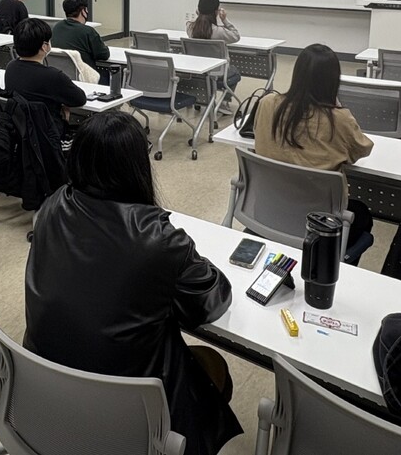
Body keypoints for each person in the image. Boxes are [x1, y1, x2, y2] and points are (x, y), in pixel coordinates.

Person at [24, 111, 242, 455]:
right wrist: (190, 259)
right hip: (127, 410)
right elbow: (210, 301)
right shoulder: (159, 240)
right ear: (137, 166)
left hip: (50, 389)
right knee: (214, 367)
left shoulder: (51, 207)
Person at [251, 43, 374, 249]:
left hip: (266, 210)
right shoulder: (338, 119)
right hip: (319, 226)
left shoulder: (267, 103)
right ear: (334, 81)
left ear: (297, 74)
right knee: (362, 215)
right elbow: (361, 150)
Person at [5, 17, 86, 135]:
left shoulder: (11, 67)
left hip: (20, 133)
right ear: (44, 46)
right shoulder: (53, 76)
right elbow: (80, 99)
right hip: (50, 136)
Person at [186, 0, 241, 110]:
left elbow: (198, 23)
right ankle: (224, 102)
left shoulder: (190, 28)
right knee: (235, 72)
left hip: (197, 70)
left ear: (198, 10)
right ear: (216, 12)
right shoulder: (219, 32)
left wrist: (198, 15)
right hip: (218, 73)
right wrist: (225, 20)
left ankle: (203, 98)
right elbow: (236, 36)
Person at [50, 0, 109, 80]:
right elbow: (104, 55)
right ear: (83, 11)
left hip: (59, 76)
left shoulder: (57, 27)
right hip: (84, 77)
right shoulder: (88, 31)